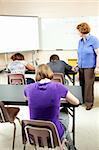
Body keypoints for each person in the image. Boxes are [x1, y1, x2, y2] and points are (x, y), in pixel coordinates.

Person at [24, 64, 79, 150]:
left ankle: (68, 144)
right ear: (50, 73)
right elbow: (76, 102)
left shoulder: (28, 88)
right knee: (64, 112)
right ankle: (68, 145)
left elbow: (26, 98)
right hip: (54, 134)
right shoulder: (58, 86)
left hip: (34, 134)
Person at [76, 22, 99, 110]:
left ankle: (89, 103)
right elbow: (80, 54)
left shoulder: (94, 40)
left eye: (78, 31)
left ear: (82, 31)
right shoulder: (80, 41)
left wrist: (97, 67)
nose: (77, 33)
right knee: (82, 84)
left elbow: (98, 54)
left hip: (90, 66)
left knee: (88, 85)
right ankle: (83, 100)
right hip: (81, 66)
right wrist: (77, 64)